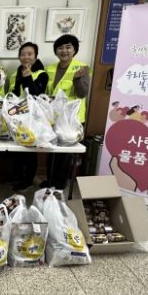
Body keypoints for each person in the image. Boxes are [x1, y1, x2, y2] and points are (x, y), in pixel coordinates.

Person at [44, 34, 90, 190]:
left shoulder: (82, 68)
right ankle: (50, 181)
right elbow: (48, 91)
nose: (64, 51)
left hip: (72, 119)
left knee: (66, 154)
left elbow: (82, 93)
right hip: (54, 116)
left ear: (75, 49)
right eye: (60, 47)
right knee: (52, 150)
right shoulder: (50, 68)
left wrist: (77, 80)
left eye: (68, 47)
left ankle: (59, 185)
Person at [8, 42, 48, 192]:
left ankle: (28, 180)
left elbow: (37, 95)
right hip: (17, 116)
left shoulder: (41, 74)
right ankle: (18, 177)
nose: (26, 57)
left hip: (32, 117)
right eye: (23, 54)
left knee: (30, 149)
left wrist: (28, 78)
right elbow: (13, 94)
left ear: (35, 56)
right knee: (17, 149)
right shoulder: (15, 73)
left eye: (30, 54)